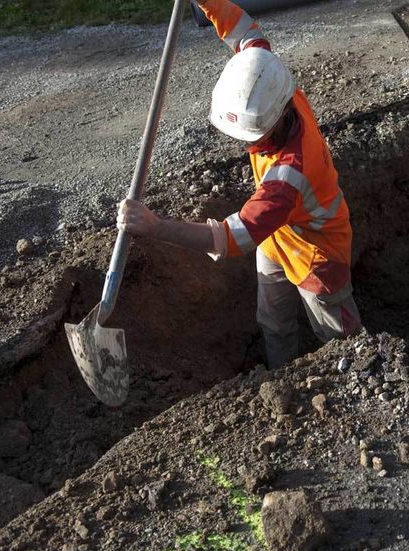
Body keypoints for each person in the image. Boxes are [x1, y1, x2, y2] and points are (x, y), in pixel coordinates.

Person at [117, 0, 361, 369]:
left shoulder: (288, 178)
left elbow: (229, 238)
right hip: (276, 240)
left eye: (254, 138)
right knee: (273, 322)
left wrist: (156, 227)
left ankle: (360, 378)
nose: (247, 146)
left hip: (318, 254)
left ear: (275, 121)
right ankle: (285, 377)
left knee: (341, 339)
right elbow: (244, 30)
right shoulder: (274, 83)